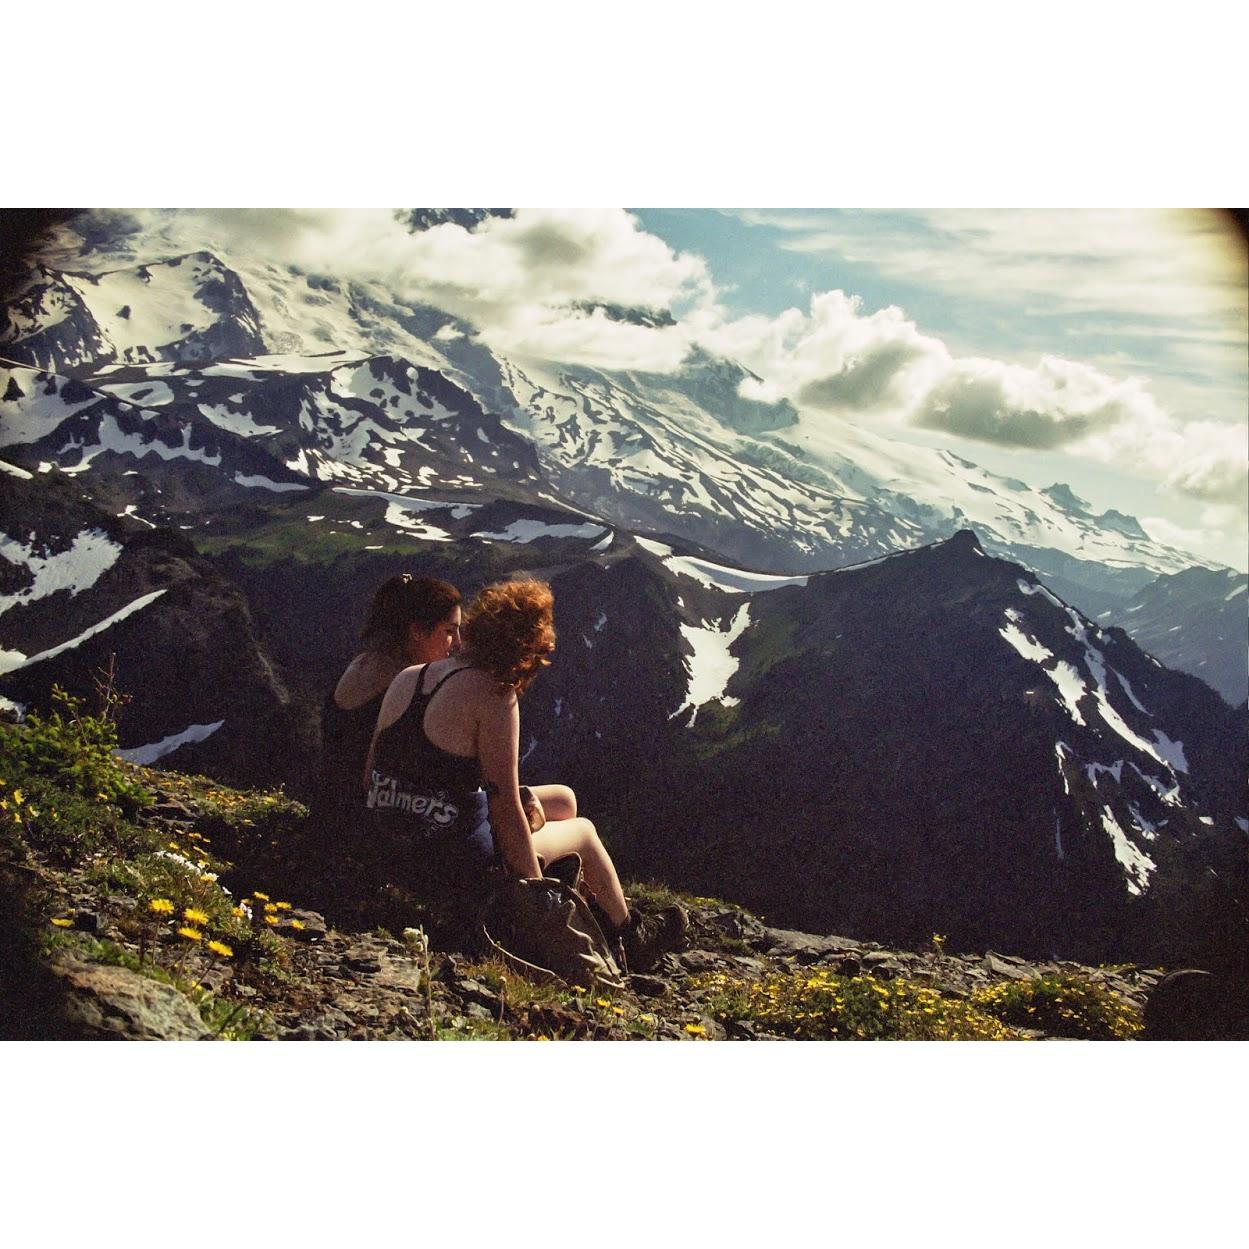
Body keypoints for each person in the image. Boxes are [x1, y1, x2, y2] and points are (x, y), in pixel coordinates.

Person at [365, 575, 686, 970]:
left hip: (390, 841)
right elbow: (504, 808)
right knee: (582, 830)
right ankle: (631, 935)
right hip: (452, 862)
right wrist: (537, 901)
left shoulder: (410, 676)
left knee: (562, 800)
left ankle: (591, 902)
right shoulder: (493, 694)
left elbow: (372, 774)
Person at [310, 574, 463, 907]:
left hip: (330, 811)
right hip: (367, 825)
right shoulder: (406, 685)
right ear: (417, 631)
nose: (457, 643)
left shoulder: (365, 662)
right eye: (449, 631)